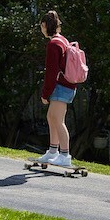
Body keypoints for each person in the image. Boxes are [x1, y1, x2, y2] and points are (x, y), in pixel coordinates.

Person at [37, 10, 78, 166]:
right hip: (66, 85)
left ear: (45, 25)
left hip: (62, 86)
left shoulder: (53, 44)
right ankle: (53, 151)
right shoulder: (62, 40)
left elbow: (51, 72)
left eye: (41, 26)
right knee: (51, 117)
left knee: (58, 120)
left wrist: (45, 94)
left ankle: (65, 155)